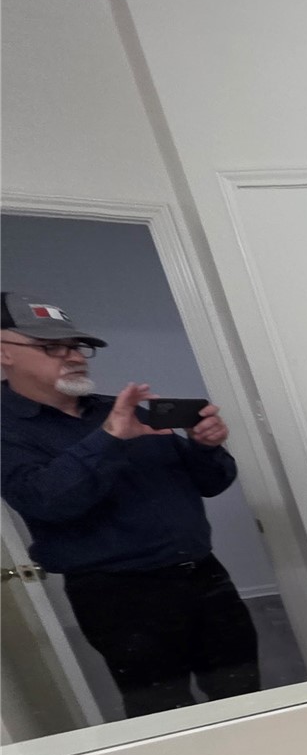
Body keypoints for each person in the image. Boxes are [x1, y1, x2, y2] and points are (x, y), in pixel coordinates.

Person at [0, 291, 260, 719]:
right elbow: (47, 501)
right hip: (119, 596)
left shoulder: (120, 410)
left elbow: (213, 483)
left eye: (77, 346)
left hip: (204, 577)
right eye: (51, 347)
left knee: (246, 696)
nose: (73, 356)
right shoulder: (10, 429)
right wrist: (110, 438)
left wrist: (205, 446)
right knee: (163, 714)